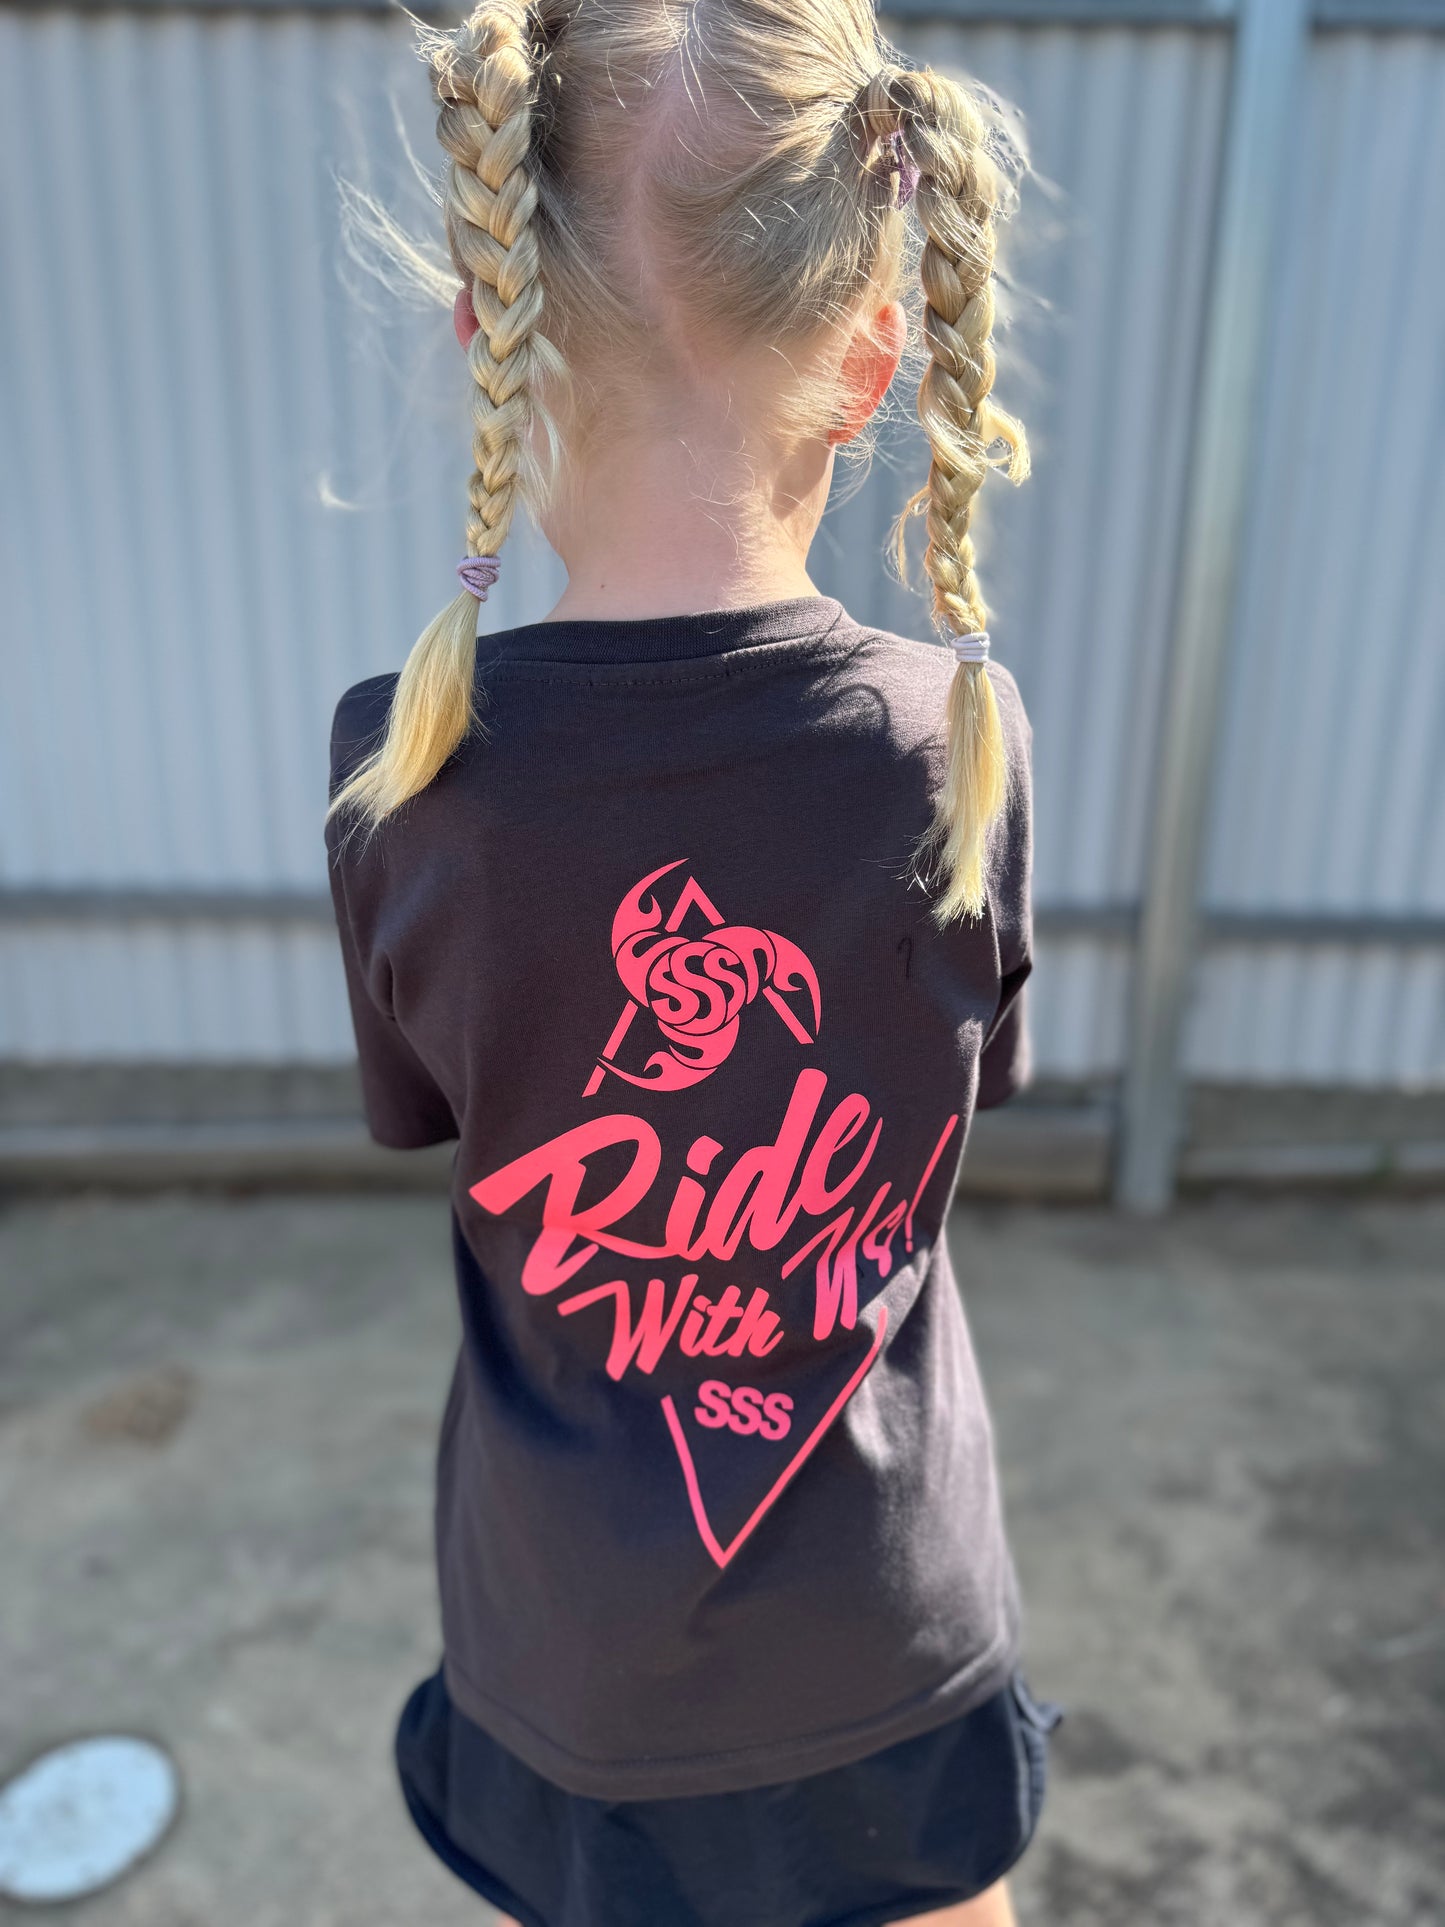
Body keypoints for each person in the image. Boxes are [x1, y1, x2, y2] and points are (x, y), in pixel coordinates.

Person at [324, 3, 1061, 1922]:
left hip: (567, 1650)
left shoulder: (408, 767)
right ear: (875, 359)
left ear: (489, 335)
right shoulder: (949, 739)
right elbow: (956, 1098)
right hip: (889, 1626)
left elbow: (434, 1113)